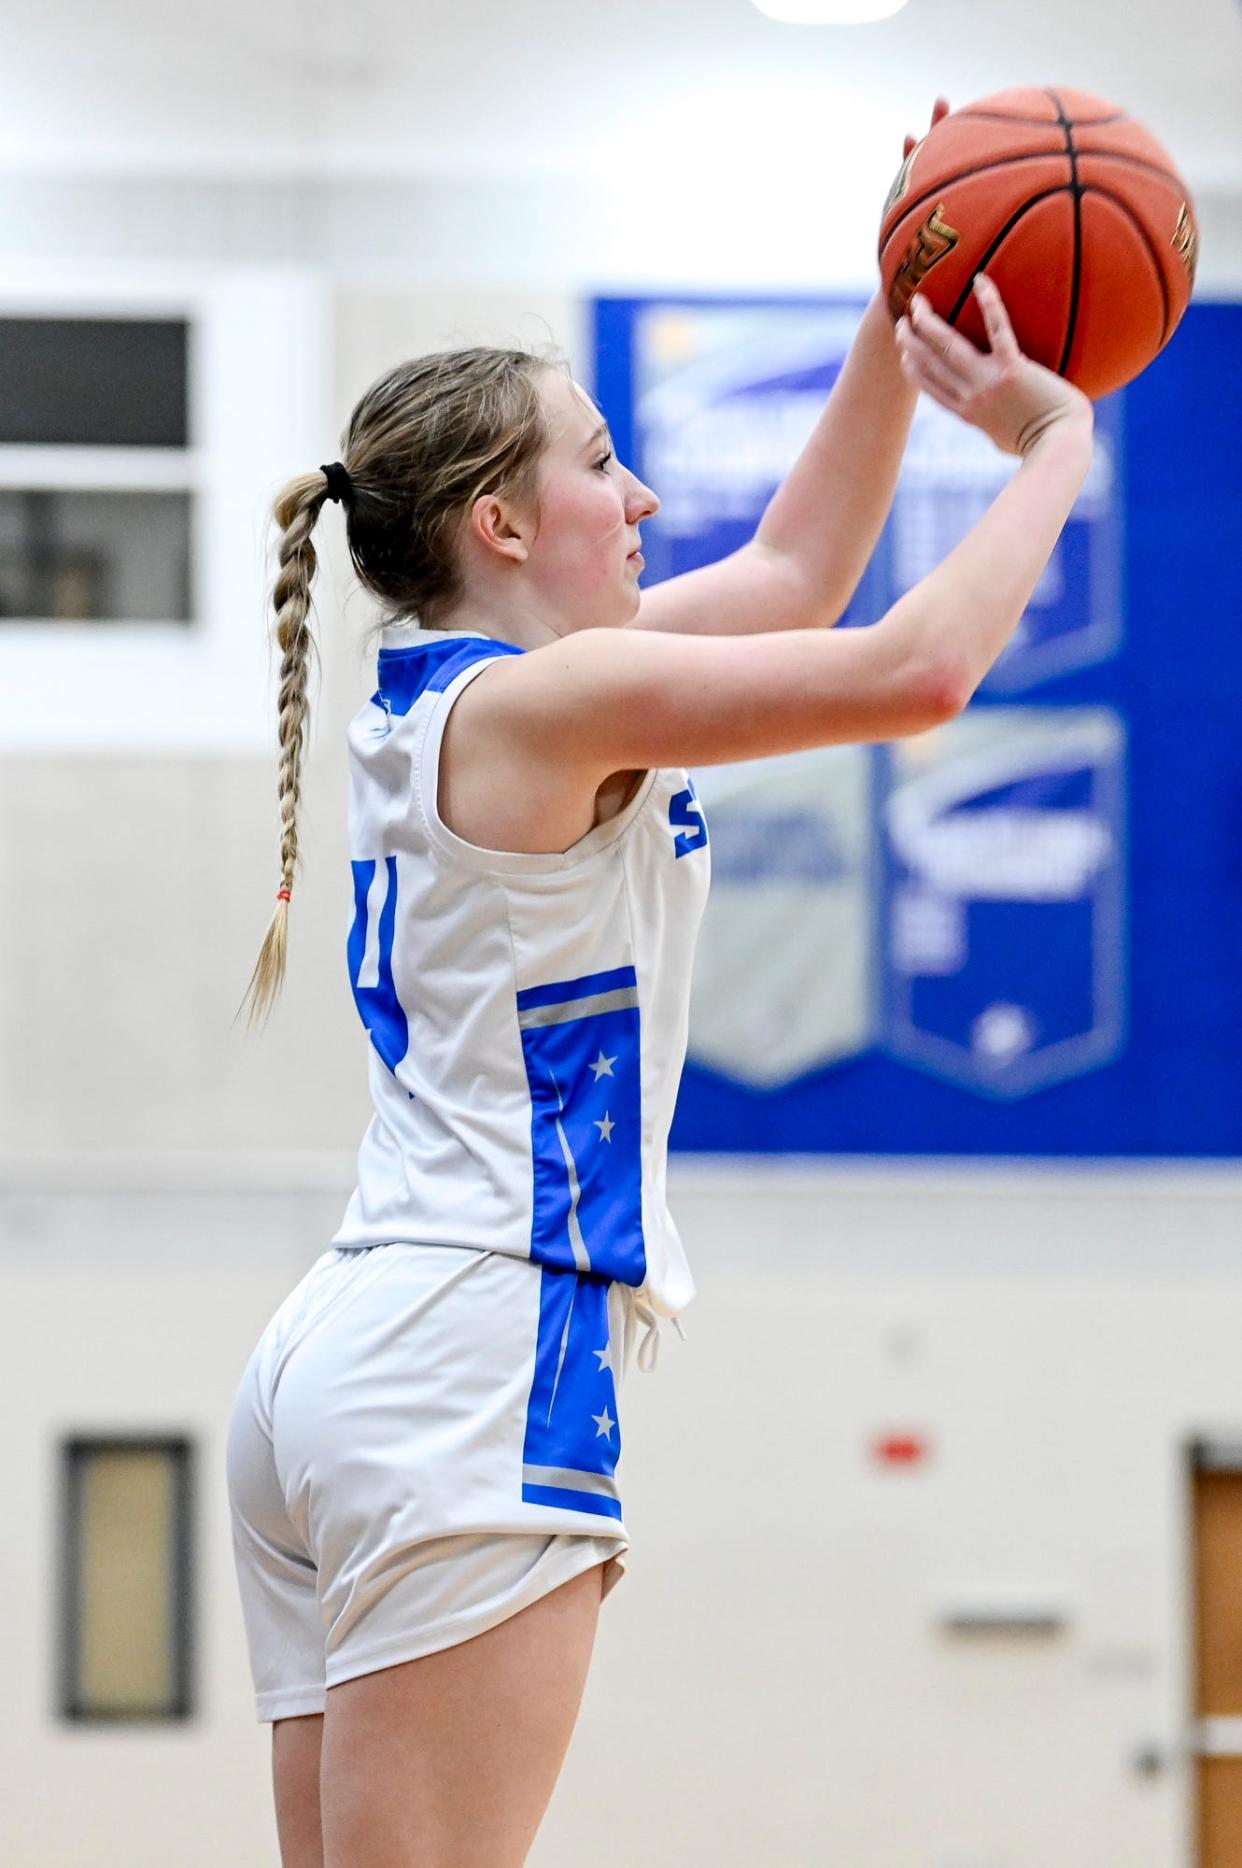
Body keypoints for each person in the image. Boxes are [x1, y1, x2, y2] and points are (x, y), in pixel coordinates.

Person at [225, 108, 1094, 1868]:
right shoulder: (552, 706)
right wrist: (1054, 448)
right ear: (499, 518)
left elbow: (795, 577)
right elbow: (919, 672)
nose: (635, 497)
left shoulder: (470, 693)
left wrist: (890, 303)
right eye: (601, 464)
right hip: (475, 1347)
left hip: (349, 1353)